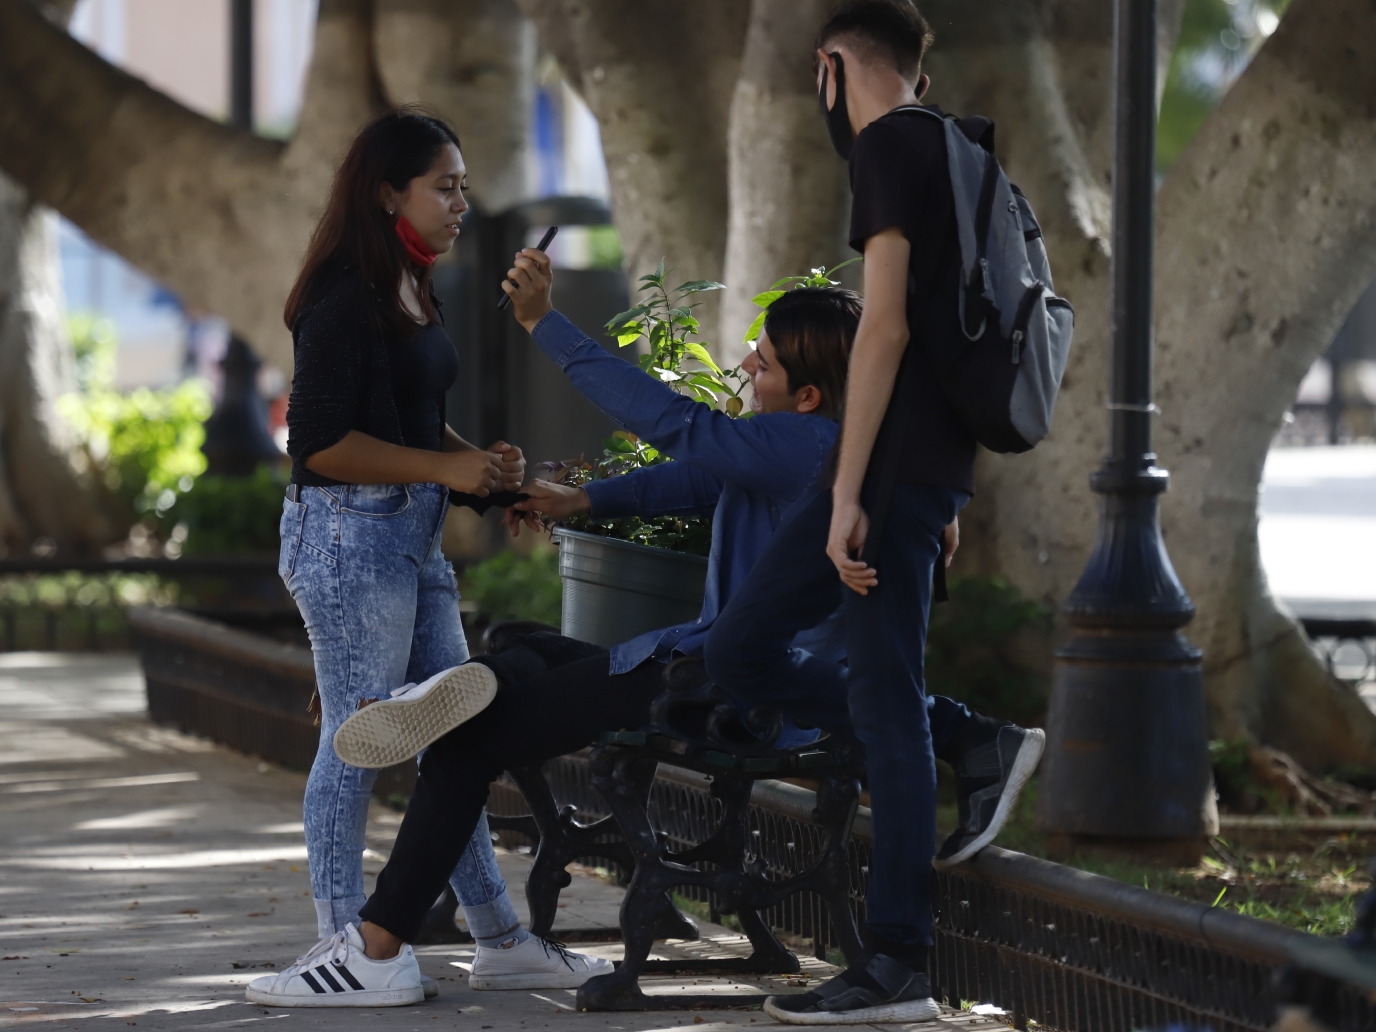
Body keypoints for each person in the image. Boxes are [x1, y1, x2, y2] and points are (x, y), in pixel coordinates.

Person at [241, 255, 1033, 1007]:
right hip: (691, 669)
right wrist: (584, 502)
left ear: (809, 398)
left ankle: (375, 948)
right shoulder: (820, 450)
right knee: (528, 646)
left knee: (467, 745)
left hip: (718, 691)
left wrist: (545, 322)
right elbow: (704, 474)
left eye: (763, 362)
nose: (748, 367)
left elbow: (677, 428)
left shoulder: (806, 447)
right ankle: (462, 692)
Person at [701, 0, 1047, 1025]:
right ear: (916, 70)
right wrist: (933, 490)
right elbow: (956, 335)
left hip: (885, 479)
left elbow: (885, 330)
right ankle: (973, 739)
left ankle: (897, 958)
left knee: (882, 704)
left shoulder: (888, 147)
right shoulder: (953, 146)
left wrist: (854, 488)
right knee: (744, 649)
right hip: (914, 474)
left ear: (828, 67)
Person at [248, 108, 606, 1008]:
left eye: (463, 185)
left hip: (408, 537)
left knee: (460, 731)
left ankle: (497, 938)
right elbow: (323, 442)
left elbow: (405, 424)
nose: (460, 202)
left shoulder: (412, 283)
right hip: (345, 536)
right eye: (443, 185)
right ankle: (347, 947)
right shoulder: (339, 297)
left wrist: (481, 472)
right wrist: (444, 468)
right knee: (355, 740)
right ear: (386, 193)